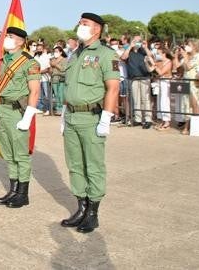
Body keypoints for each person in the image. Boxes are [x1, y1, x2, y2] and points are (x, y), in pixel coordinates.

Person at [60, 13, 120, 233]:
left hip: (91, 117)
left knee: (93, 166)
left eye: (84, 24)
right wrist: (64, 114)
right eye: (80, 23)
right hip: (72, 116)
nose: (80, 26)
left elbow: (113, 87)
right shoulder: (75, 54)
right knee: (75, 165)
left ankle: (93, 212)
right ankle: (81, 207)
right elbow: (69, 87)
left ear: (96, 29)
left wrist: (106, 118)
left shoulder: (106, 54)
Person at [0, 27, 41, 209]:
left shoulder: (29, 62)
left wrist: (28, 116)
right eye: (6, 36)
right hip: (2, 109)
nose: (7, 39)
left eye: (10, 37)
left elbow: (35, 91)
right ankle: (13, 190)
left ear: (21, 41)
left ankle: (23, 193)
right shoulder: (3, 60)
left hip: (17, 112)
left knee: (21, 155)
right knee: (8, 153)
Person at [121, 35, 153, 128]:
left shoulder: (143, 51)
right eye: (135, 41)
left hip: (145, 78)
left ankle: (148, 119)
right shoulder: (129, 52)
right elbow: (123, 57)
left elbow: (151, 57)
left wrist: (145, 47)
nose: (137, 42)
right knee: (136, 100)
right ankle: (138, 119)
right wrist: (130, 46)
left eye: (139, 41)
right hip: (133, 79)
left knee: (145, 100)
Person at [153, 48, 173, 130]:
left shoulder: (169, 62)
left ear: (164, 53)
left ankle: (167, 121)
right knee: (159, 101)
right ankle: (162, 120)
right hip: (159, 82)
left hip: (166, 82)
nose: (157, 55)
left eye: (159, 53)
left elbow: (161, 72)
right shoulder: (159, 61)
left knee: (165, 101)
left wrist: (155, 66)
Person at [50, 46, 68, 115]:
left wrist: (56, 65)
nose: (55, 53)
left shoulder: (64, 60)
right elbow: (51, 71)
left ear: (61, 52)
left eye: (57, 51)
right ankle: (57, 109)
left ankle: (61, 109)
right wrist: (51, 67)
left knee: (61, 94)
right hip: (54, 79)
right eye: (54, 51)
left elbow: (63, 69)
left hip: (61, 79)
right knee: (56, 95)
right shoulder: (53, 59)